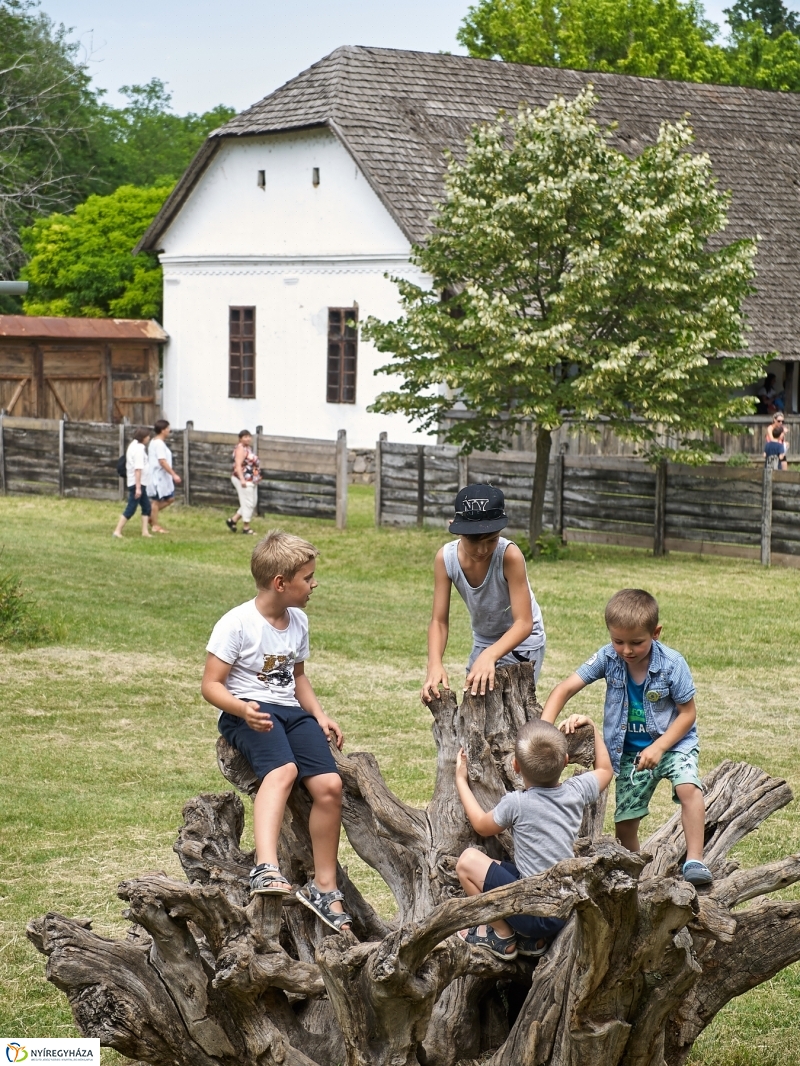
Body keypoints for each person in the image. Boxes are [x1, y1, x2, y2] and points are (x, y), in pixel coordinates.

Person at [201, 530, 351, 930]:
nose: (314, 584)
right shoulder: (236, 623)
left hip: (289, 711)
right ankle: (265, 867)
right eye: (308, 577)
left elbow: (297, 677)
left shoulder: (298, 620)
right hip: (246, 711)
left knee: (330, 787)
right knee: (282, 772)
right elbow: (211, 685)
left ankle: (324, 885)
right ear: (280, 583)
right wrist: (242, 709)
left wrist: (319, 714)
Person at [541, 588, 712, 886]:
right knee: (625, 823)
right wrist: (542, 731)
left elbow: (687, 714)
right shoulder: (608, 658)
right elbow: (564, 689)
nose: (626, 650)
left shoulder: (672, 664)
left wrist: (660, 747)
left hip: (673, 744)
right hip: (631, 755)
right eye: (618, 641)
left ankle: (695, 860)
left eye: (636, 642)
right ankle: (639, 878)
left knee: (689, 789)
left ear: (655, 633)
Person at [453, 718, 612, 959]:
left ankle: (501, 936)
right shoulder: (576, 791)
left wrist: (460, 781)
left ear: (515, 766)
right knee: (497, 867)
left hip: (533, 910)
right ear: (566, 761)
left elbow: (480, 825)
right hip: (561, 907)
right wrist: (592, 725)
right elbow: (605, 770)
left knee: (467, 862)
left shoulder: (517, 803)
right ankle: (532, 941)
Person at [421, 484, 546, 703]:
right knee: (476, 706)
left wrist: (489, 656)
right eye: (474, 540)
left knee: (512, 712)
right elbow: (439, 621)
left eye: (491, 539)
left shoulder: (509, 556)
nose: (482, 549)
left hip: (522, 642)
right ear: (455, 527)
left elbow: (524, 623)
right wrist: (434, 664)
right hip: (484, 639)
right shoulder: (446, 559)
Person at [113, 427, 153, 539]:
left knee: (146, 507)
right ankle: (117, 531)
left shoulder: (133, 445)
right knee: (131, 507)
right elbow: (138, 469)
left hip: (140, 483)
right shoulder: (139, 449)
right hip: (137, 483)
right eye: (148, 436)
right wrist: (138, 488)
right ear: (143, 438)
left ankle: (145, 532)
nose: (149, 438)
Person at [147, 419, 182, 533]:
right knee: (156, 501)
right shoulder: (158, 444)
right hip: (158, 477)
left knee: (170, 498)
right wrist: (174, 474)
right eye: (167, 428)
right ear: (162, 430)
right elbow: (162, 461)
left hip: (162, 477)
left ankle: (150, 515)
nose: (169, 430)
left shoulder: (156, 442)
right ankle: (155, 525)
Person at [227, 429, 261, 535]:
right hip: (243, 479)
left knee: (252, 502)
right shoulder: (240, 448)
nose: (248, 439)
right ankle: (246, 528)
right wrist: (242, 479)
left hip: (252, 479)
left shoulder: (248, 448)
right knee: (248, 503)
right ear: (240, 438)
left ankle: (232, 520)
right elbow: (238, 465)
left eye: (249, 436)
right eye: (245, 437)